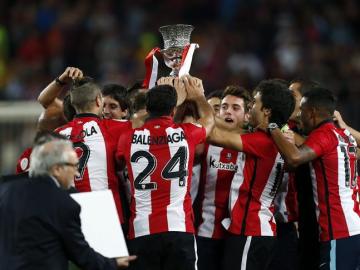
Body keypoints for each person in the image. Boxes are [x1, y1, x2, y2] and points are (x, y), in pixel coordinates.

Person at [116, 75, 214, 270]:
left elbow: (119, 161)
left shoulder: (128, 137)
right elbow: (209, 120)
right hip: (179, 228)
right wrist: (198, 96)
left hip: (142, 230)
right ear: (174, 109)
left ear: (147, 108)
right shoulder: (187, 133)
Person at [0, 137, 136, 269]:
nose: (77, 173)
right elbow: (81, 253)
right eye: (74, 166)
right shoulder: (63, 202)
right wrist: (113, 263)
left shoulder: (6, 191)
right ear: (57, 169)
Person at [267, 87, 360, 269]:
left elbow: (294, 158)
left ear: (312, 112)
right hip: (355, 225)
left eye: (302, 110)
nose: (299, 115)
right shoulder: (345, 135)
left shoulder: (323, 134)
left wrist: (273, 127)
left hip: (338, 230)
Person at [208, 79, 295, 270]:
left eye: (255, 102)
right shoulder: (278, 139)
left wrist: (199, 99)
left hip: (250, 229)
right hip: (259, 229)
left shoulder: (262, 142)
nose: (251, 106)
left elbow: (213, 136)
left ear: (267, 111)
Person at [56, 78, 132, 225]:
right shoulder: (116, 128)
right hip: (108, 213)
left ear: (73, 104)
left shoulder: (57, 135)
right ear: (99, 101)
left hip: (70, 214)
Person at [194, 85, 251, 270]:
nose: (228, 111)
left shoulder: (255, 143)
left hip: (239, 235)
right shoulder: (206, 142)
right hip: (206, 232)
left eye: (236, 108)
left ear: (247, 115)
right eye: (224, 107)